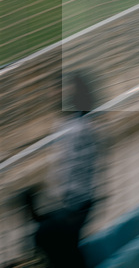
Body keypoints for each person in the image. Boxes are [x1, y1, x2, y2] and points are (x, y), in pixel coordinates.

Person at [39, 73, 100, 265]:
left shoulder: (72, 128)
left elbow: (66, 171)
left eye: (57, 90)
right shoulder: (80, 123)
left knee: (47, 239)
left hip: (73, 204)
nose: (52, 95)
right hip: (77, 202)